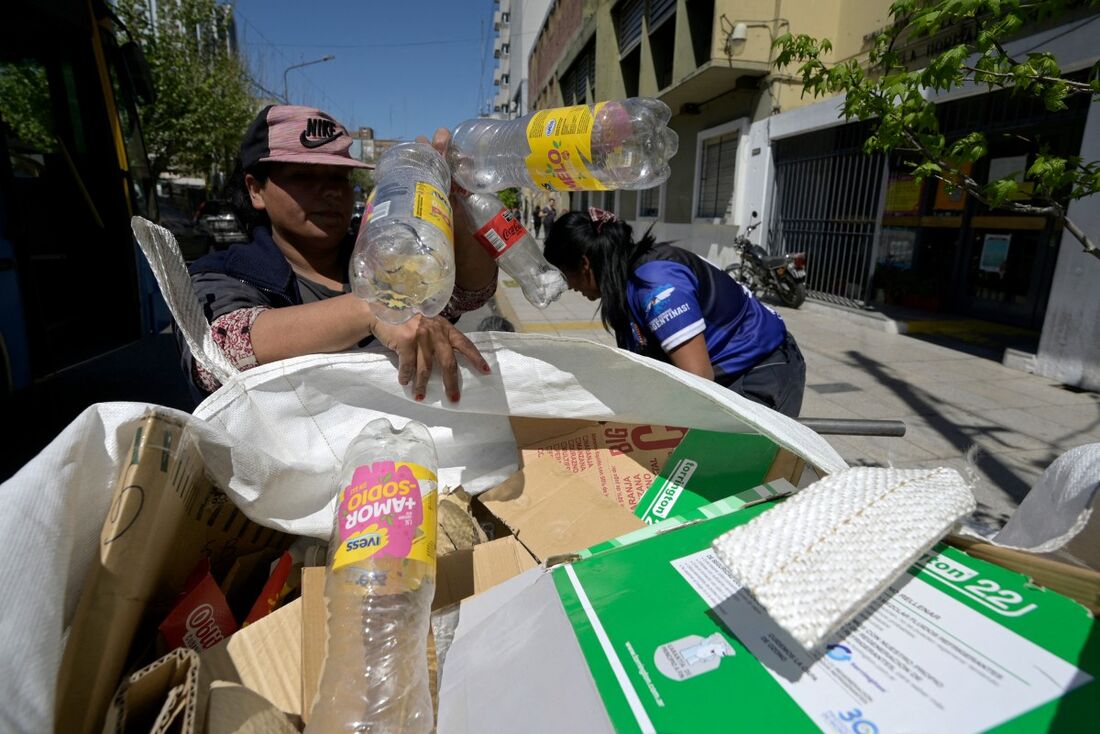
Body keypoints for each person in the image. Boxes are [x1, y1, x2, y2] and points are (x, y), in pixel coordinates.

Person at [180, 105, 497, 403]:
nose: (330, 191)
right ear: (255, 189)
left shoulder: (384, 255)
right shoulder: (226, 272)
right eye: (304, 177)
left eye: (338, 177)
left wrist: (449, 198)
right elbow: (214, 356)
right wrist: (370, 311)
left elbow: (470, 294)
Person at [543, 208, 806, 417]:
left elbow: (698, 379)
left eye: (566, 276)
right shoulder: (623, 286)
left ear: (585, 265)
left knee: (740, 476)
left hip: (761, 370)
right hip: (727, 375)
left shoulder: (656, 286)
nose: (570, 287)